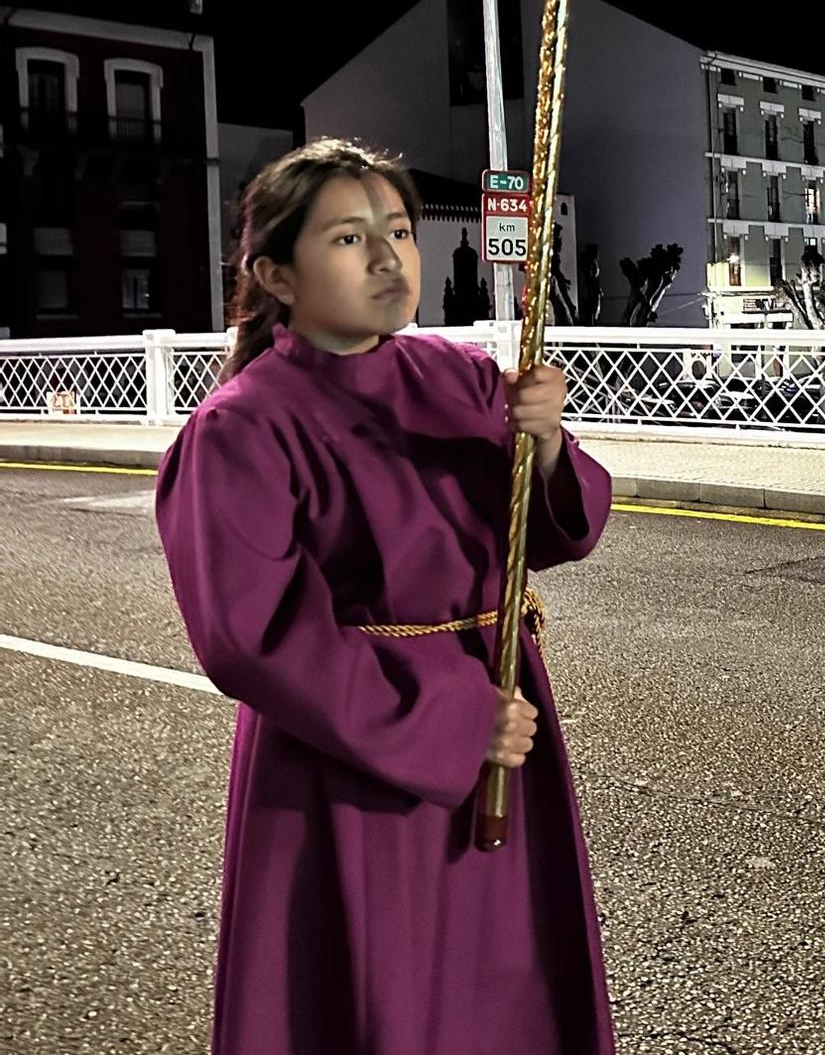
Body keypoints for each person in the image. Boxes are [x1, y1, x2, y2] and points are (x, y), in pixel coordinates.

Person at [154, 139, 617, 1054]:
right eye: (348, 238)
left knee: (507, 986)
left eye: (399, 231)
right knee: (381, 995)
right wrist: (454, 721)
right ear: (276, 275)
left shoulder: (458, 376)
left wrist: (551, 446)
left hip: (498, 723)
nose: (388, 257)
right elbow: (254, 636)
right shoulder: (241, 427)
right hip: (355, 756)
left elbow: (550, 531)